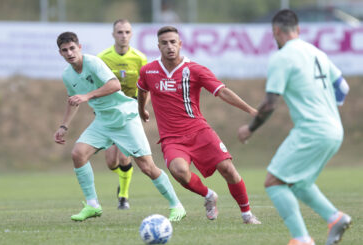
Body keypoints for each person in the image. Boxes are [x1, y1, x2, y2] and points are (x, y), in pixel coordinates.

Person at [238, 9, 351, 245]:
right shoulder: (316, 52)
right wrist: (327, 107)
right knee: (300, 183)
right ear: (298, 30)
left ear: (276, 32)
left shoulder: (282, 57)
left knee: (274, 182)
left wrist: (250, 128)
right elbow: (343, 88)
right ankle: (335, 217)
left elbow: (270, 103)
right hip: (334, 130)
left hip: (312, 130)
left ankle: (301, 239)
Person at [54, 31, 186, 222]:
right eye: (65, 50)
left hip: (125, 117)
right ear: (60, 53)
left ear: (79, 48)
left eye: (72, 48)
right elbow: (73, 100)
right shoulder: (67, 75)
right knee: (78, 154)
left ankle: (176, 206)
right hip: (103, 120)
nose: (69, 53)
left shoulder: (93, 63)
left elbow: (115, 85)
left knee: (147, 167)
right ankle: (92, 205)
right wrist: (63, 126)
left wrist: (88, 96)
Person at [137, 26, 261, 224]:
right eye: (164, 43)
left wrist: (251, 110)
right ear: (158, 46)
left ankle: (247, 214)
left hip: (199, 131)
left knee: (227, 169)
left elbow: (222, 91)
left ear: (180, 44)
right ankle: (209, 195)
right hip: (172, 138)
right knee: (179, 172)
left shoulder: (194, 70)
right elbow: (143, 90)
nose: (169, 46)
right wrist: (141, 108)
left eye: (173, 42)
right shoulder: (148, 70)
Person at [98, 19, 147, 210]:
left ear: (131, 35)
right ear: (113, 35)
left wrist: (142, 108)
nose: (123, 36)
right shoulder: (102, 57)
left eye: (127, 32)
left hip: (130, 111)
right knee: (111, 162)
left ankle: (123, 197)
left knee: (125, 157)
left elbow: (145, 88)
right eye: (119, 32)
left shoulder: (140, 58)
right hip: (109, 112)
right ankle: (122, 180)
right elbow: (97, 85)